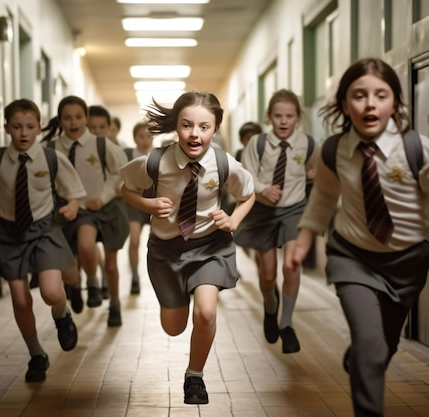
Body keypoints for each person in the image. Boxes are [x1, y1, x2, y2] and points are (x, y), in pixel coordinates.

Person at [285, 58, 429, 417]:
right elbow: (322, 200)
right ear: (344, 105)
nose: (370, 103)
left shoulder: (417, 149)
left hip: (408, 262)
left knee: (382, 345)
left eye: (380, 95)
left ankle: (365, 355)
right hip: (351, 258)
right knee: (371, 345)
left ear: (395, 104)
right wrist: (303, 241)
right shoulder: (335, 151)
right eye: (359, 96)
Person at [119, 91, 255, 405]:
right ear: (176, 127)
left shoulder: (223, 163)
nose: (195, 134)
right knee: (174, 326)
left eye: (204, 127)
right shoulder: (155, 161)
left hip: (210, 246)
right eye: (187, 125)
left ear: (216, 129)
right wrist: (148, 203)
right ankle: (177, 305)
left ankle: (195, 375)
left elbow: (249, 195)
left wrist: (233, 220)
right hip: (166, 250)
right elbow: (125, 189)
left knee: (206, 312)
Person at [0, 99, 85, 382]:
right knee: (20, 300)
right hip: (9, 233)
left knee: (51, 292)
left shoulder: (51, 158)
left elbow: (75, 191)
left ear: (39, 127)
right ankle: (36, 355)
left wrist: (72, 206)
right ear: (6, 127)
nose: (23, 132)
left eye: (30, 127)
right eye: (17, 126)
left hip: (44, 230)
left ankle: (62, 316)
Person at [233, 89, 317, 354]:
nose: (283, 121)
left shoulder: (308, 144)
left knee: (292, 265)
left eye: (289, 116)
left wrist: (313, 176)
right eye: (278, 116)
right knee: (268, 275)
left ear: (297, 117)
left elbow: (312, 173)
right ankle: (271, 308)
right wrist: (263, 189)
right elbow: (246, 176)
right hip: (263, 211)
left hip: (294, 209)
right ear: (269, 116)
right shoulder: (257, 144)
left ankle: (287, 324)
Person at [44, 97, 129, 326]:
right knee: (69, 264)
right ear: (60, 120)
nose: (73, 122)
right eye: (67, 118)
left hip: (100, 209)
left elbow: (120, 172)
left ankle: (107, 297)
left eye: (79, 117)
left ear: (85, 119)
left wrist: (103, 197)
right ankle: (76, 286)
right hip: (65, 211)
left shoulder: (101, 145)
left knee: (96, 253)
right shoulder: (52, 148)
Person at [87, 104, 120, 301]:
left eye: (101, 127)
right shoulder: (81, 152)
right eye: (92, 127)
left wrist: (113, 194)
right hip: (89, 209)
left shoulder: (115, 151)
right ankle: (94, 281)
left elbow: (123, 182)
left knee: (111, 263)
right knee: (88, 246)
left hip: (113, 210)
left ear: (109, 128)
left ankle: (114, 302)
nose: (97, 132)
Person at [123, 121, 154, 295]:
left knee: (158, 242)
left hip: (154, 202)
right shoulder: (128, 154)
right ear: (134, 138)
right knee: (134, 240)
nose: (145, 140)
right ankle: (135, 277)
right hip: (135, 202)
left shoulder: (158, 155)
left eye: (149, 136)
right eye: (141, 136)